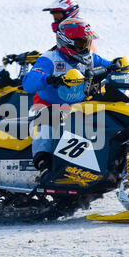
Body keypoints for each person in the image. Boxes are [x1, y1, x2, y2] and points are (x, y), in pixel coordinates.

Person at [22, 18, 113, 175]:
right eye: (80, 44)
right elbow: (28, 83)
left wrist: (119, 66)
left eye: (87, 43)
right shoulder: (49, 59)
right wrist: (48, 78)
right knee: (47, 118)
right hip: (50, 108)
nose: (85, 48)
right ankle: (44, 164)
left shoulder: (90, 58)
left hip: (80, 108)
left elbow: (110, 67)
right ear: (66, 42)